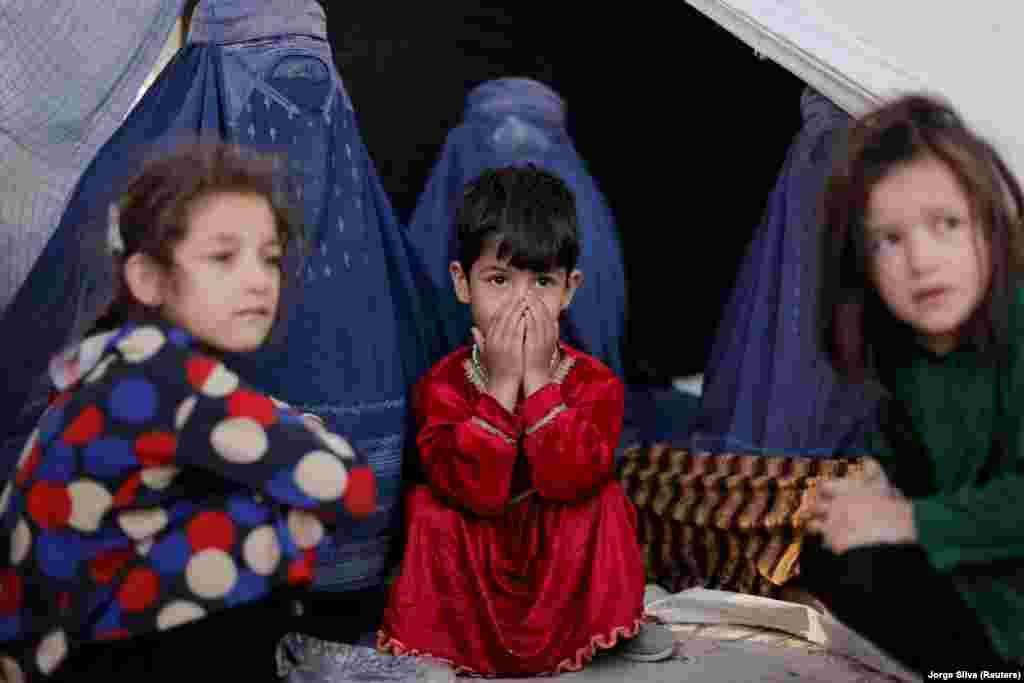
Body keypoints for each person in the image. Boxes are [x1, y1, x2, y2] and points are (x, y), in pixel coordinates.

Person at [0, 143, 378, 682]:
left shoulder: (116, 354)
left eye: (269, 258)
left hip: (41, 640)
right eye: (223, 257)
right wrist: (297, 436)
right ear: (148, 278)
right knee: (287, 508)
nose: (258, 280)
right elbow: (349, 484)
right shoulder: (171, 375)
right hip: (82, 653)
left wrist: (278, 432)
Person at [378, 165, 674, 675]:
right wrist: (498, 389)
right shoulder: (443, 384)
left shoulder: (594, 383)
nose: (521, 303)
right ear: (462, 283)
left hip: (556, 552)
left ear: (569, 290)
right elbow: (473, 491)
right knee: (429, 508)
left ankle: (605, 624)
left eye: (541, 281)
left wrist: (537, 383)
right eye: (498, 279)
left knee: (601, 500)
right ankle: (444, 640)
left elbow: (570, 479)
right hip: (478, 553)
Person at [808, 94, 1024, 672]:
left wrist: (904, 519)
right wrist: (877, 485)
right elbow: (920, 462)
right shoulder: (903, 351)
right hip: (980, 600)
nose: (921, 260)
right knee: (835, 553)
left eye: (946, 224)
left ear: (990, 226)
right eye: (889, 240)